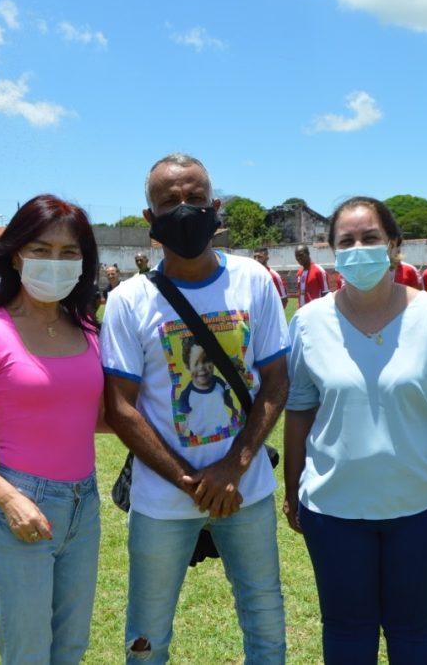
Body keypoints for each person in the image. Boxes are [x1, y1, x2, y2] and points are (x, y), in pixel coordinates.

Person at [102, 153, 288, 664]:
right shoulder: (127, 300)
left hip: (245, 492)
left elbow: (276, 381)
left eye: (195, 199)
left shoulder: (253, 281)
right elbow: (122, 408)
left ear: (215, 207)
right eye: (169, 202)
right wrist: (191, 482)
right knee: (147, 635)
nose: (184, 210)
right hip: (162, 500)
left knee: (265, 619)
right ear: (149, 220)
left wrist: (235, 467)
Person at [283, 196, 427, 664]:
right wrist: (292, 489)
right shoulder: (309, 323)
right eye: (346, 241)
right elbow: (299, 410)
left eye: (370, 238)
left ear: (394, 246)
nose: (359, 249)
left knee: (415, 632)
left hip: (419, 510)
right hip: (333, 510)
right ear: (332, 251)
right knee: (346, 633)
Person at [0, 194, 105, 664]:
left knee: (70, 648)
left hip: (83, 506)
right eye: (41, 250)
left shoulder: (88, 330)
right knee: (28, 652)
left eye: (69, 252)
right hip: (21, 504)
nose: (55, 263)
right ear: (16, 254)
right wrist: (10, 499)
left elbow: (96, 415)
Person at [296, 243, 329, 309]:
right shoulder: (299, 273)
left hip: (316, 312)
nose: (299, 258)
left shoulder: (319, 271)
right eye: (296, 256)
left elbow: (326, 294)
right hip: (302, 312)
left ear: (308, 254)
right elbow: (300, 293)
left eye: (301, 255)